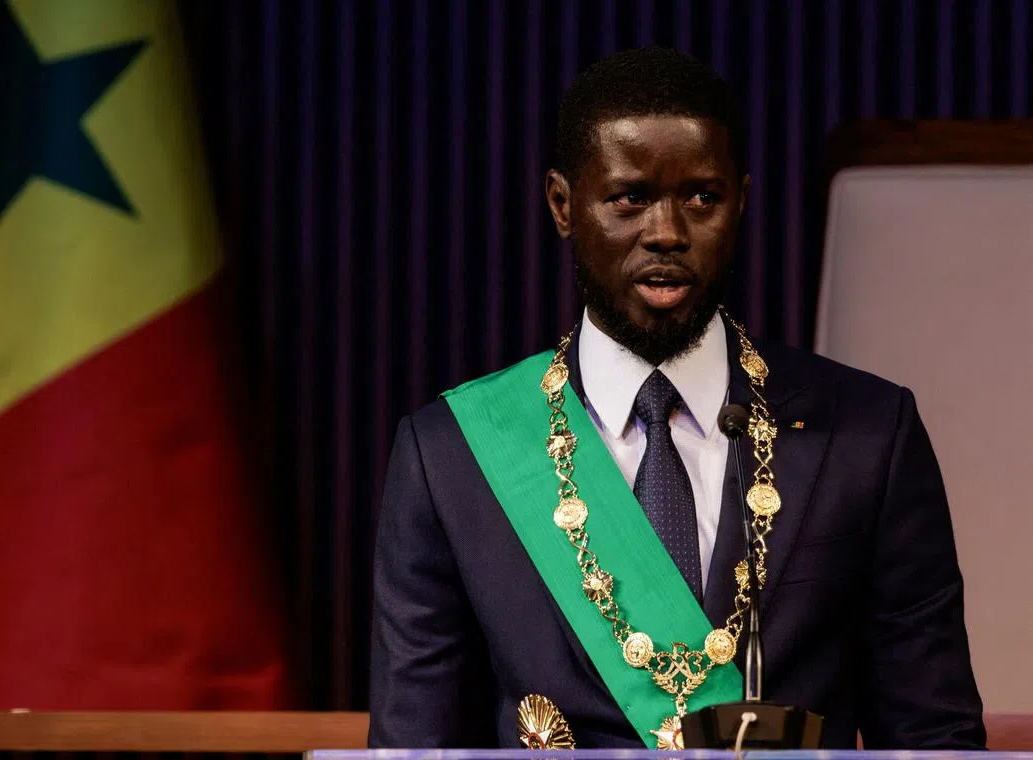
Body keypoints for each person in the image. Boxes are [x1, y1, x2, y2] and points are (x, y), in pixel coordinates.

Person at [368, 46, 984, 750]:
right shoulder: (450, 455)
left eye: (701, 198)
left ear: (741, 203)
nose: (666, 232)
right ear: (563, 205)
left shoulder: (868, 433)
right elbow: (416, 743)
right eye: (629, 198)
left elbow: (936, 737)